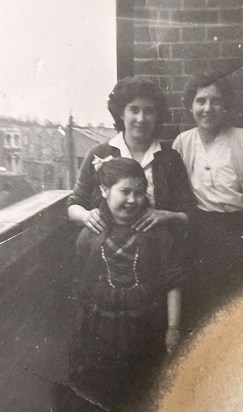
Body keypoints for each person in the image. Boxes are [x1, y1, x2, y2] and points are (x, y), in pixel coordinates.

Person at [67, 157, 183, 411]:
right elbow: (81, 287)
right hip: (102, 332)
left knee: (144, 393)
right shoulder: (90, 234)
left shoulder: (156, 233)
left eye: (139, 193)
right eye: (125, 191)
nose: (132, 200)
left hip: (146, 329)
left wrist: (173, 328)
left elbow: (172, 282)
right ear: (104, 190)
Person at [173, 72, 243, 329]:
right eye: (201, 101)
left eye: (215, 101)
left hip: (240, 236)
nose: (208, 108)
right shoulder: (182, 143)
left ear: (225, 105)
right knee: (203, 318)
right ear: (190, 105)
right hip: (199, 239)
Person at [67, 77, 196, 235]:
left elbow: (189, 213)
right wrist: (86, 216)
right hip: (107, 249)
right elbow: (74, 204)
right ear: (121, 113)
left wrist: (167, 216)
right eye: (134, 110)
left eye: (149, 111)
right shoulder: (99, 154)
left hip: (157, 250)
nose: (141, 119)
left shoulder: (169, 159)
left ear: (157, 116)